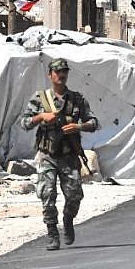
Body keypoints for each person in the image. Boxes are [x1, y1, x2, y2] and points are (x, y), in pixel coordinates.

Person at [20, 58, 99, 250]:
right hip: (47, 155)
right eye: (57, 72)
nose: (61, 75)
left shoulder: (77, 99)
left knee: (74, 196)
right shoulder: (40, 99)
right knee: (47, 194)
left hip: (69, 156)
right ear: (50, 75)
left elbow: (94, 123)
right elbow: (24, 123)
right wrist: (41, 117)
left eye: (64, 71)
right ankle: (52, 234)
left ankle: (68, 219)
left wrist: (78, 126)